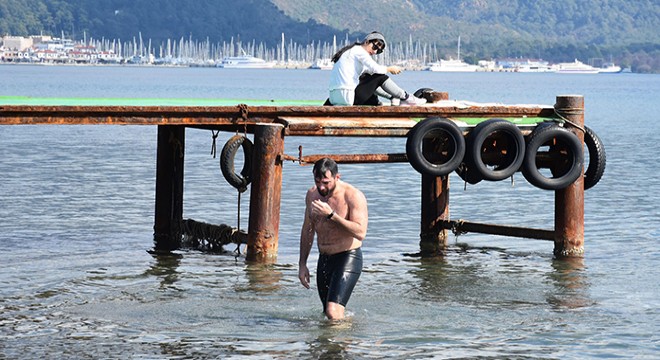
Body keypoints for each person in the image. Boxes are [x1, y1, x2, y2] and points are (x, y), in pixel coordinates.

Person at [298, 158, 368, 320]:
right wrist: (302, 264)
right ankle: (337, 342)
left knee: (333, 311)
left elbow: (360, 232)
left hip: (347, 256)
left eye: (326, 182)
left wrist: (331, 215)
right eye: (317, 181)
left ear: (337, 177)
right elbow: (308, 229)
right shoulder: (312, 195)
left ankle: (344, 342)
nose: (321, 187)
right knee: (327, 314)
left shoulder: (353, 196)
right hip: (324, 259)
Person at [327, 31, 426, 106]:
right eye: (374, 47)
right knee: (380, 77)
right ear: (367, 41)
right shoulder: (359, 51)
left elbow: (370, 77)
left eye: (378, 51)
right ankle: (406, 98)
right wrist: (390, 68)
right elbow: (376, 69)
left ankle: (392, 98)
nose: (375, 52)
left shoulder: (351, 52)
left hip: (334, 97)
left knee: (368, 78)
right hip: (348, 97)